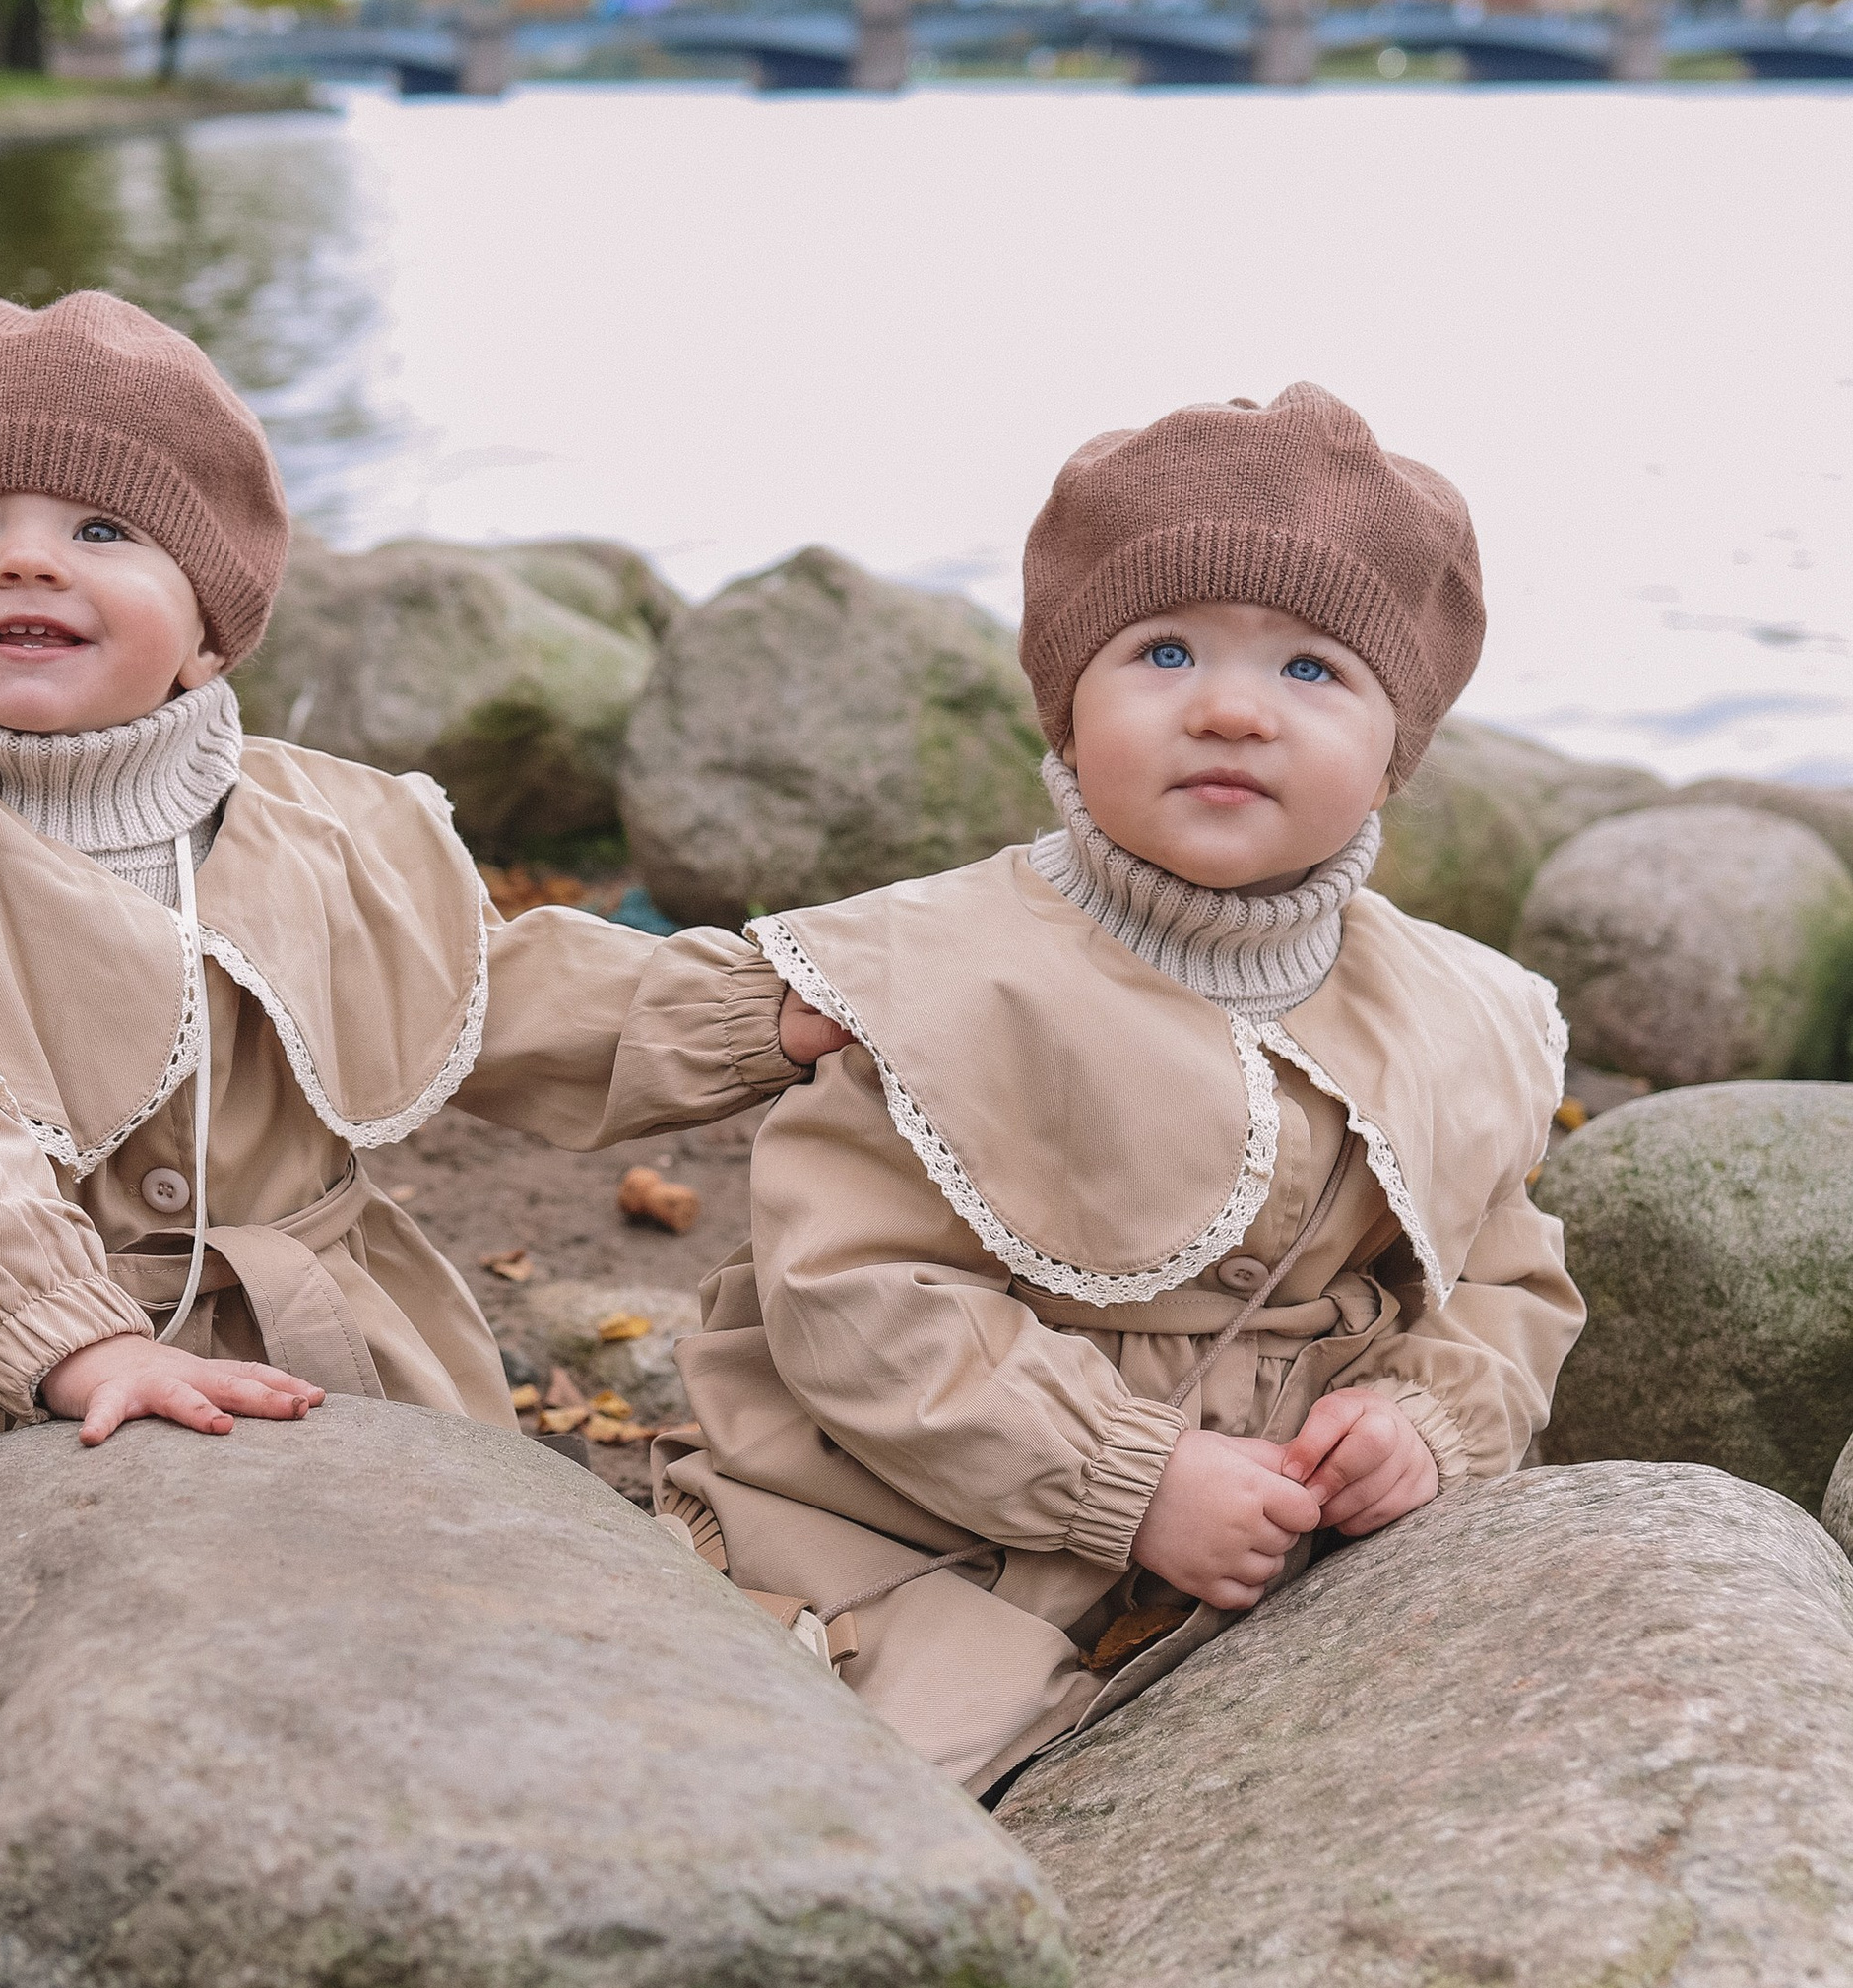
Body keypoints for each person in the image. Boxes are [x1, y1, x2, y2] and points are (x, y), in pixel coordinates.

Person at [0, 289, 819, 1760]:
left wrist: (756, 1014)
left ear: (209, 625)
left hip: (292, 1330)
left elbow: (488, 990)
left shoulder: (328, 825)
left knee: (411, 1665)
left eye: (104, 530)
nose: (29, 558)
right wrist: (66, 1340)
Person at [652, 380, 1584, 1802]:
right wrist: (1127, 1476)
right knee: (856, 1787)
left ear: (1397, 746)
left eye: (1313, 670)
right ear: (1067, 707)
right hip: (921, 1518)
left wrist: (1424, 1423)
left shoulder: (1456, 1013)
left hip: (1287, 1526)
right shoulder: (954, 976)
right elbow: (851, 1289)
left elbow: (1503, 1276)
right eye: (1164, 650)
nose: (1231, 709)